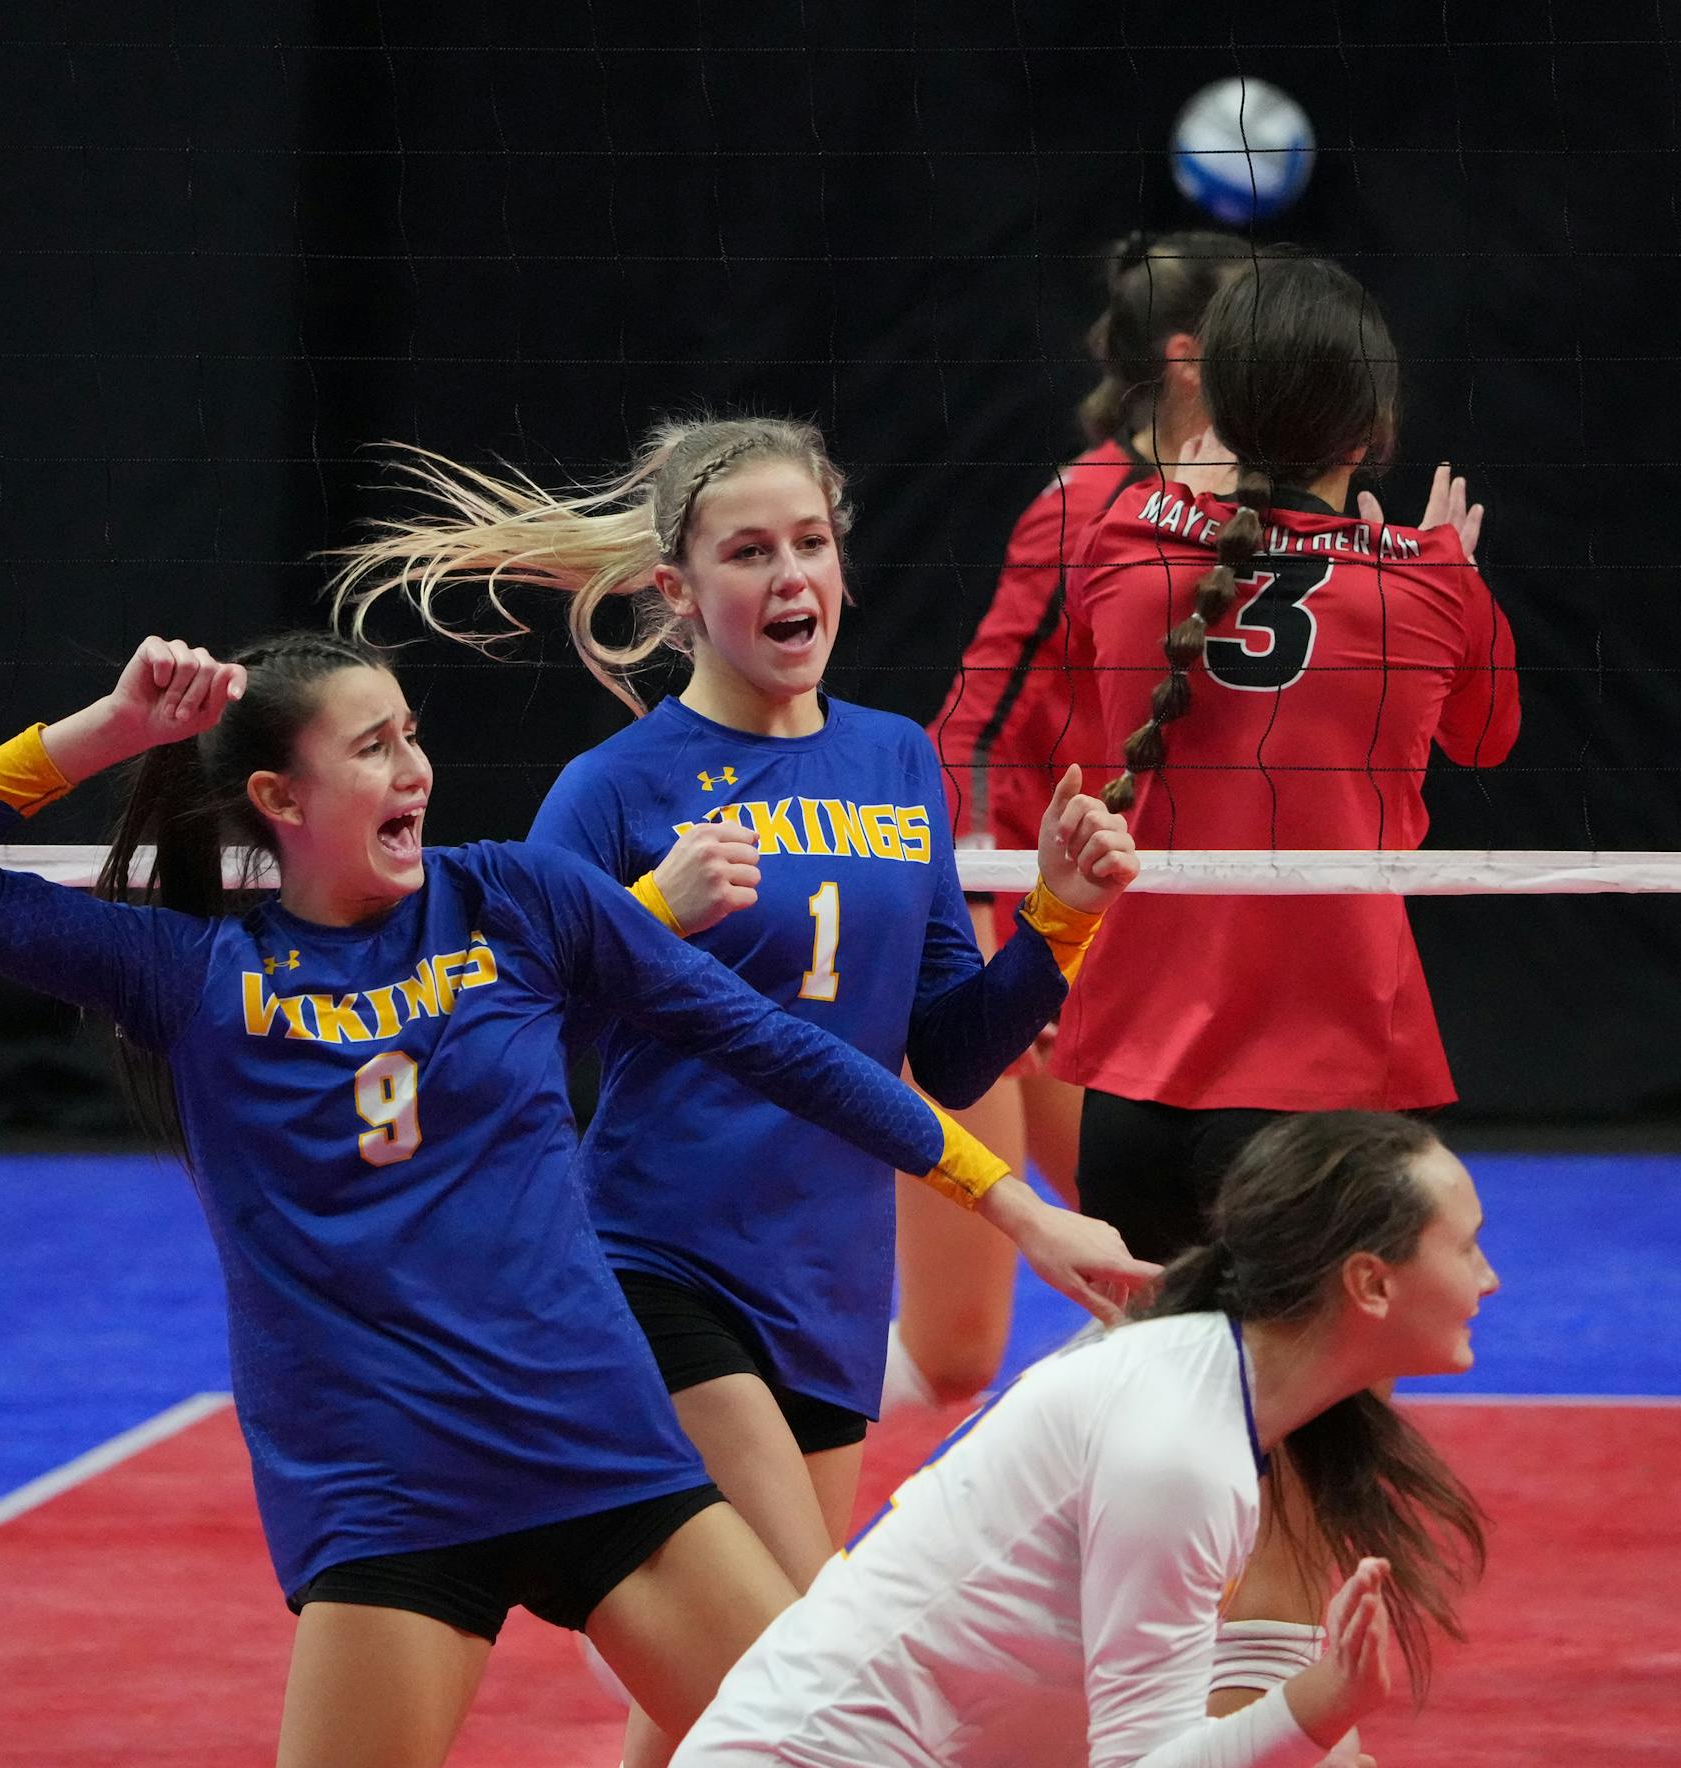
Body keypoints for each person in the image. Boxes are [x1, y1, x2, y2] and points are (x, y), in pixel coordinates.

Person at [0, 629, 1126, 1768]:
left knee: (844, 1749)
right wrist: (115, 728)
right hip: (390, 1488)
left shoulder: (516, 897)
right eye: (372, 748)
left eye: (412, 734)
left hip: (597, 1448)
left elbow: (777, 1047)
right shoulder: (192, 975)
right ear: (279, 798)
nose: (414, 769)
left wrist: (1013, 1204)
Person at [330, 417, 1155, 1766]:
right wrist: (646, 914)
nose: (791, 577)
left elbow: (946, 1055)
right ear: (678, 589)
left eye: (811, 544)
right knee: (823, 1664)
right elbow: (499, 1038)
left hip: (828, 1285)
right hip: (659, 1263)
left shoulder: (895, 760)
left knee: (717, 1705)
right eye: (750, 551)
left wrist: (1060, 918)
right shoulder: (615, 786)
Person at [673, 1110, 1493, 1768]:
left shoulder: (1196, 1387)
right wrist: (1318, 1709)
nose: (1488, 1278)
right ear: (1369, 1283)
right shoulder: (1180, 1454)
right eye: (1465, 1247)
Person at [1055, 254, 1520, 1263]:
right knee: (1324, 1372)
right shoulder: (1431, 584)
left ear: (1217, 406)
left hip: (1134, 1087)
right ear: (1368, 430)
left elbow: (1107, 619)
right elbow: (1486, 740)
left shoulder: (1124, 538)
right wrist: (1449, 573)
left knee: (1157, 1362)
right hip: (1328, 1096)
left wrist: (1175, 499)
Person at [903, 231, 1248, 1411]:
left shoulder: (1250, 510)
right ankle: (684, 1418)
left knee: (1176, 1277)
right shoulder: (1087, 505)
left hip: (1091, 933)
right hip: (989, 924)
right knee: (955, 1351)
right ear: (1191, 359)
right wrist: (972, 919)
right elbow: (971, 722)